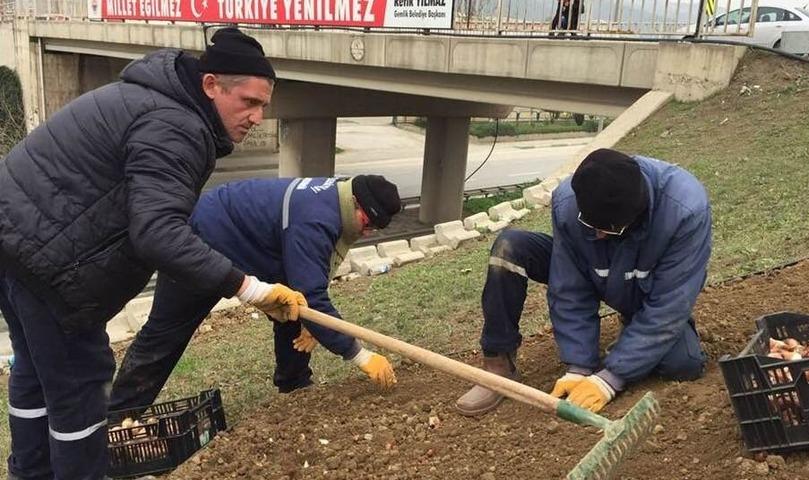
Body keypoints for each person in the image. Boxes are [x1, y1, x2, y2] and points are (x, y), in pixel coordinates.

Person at [0, 27, 308, 479]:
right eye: (248, 102)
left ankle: (30, 473)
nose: (257, 116)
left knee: (35, 374)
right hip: (48, 263)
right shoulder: (176, 126)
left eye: (263, 104)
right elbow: (158, 233)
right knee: (80, 388)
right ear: (210, 86)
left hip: (13, 243)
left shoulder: (153, 100)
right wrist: (250, 288)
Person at [109, 175, 403, 411]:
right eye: (367, 223)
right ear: (354, 203)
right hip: (205, 236)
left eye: (373, 230)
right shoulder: (316, 219)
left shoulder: (337, 196)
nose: (366, 233)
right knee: (166, 332)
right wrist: (359, 355)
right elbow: (313, 294)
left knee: (292, 305)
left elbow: (306, 290)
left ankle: (294, 385)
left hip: (254, 242)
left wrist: (313, 321)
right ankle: (120, 416)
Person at [455, 148, 711, 416]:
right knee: (510, 248)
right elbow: (569, 287)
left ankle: (632, 329)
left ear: (637, 214)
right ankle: (498, 367)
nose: (598, 235)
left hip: (645, 283)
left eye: (607, 229)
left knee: (684, 365)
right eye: (591, 226)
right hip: (595, 269)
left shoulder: (685, 210)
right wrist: (579, 366)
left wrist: (610, 378)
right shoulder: (570, 201)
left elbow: (670, 305)